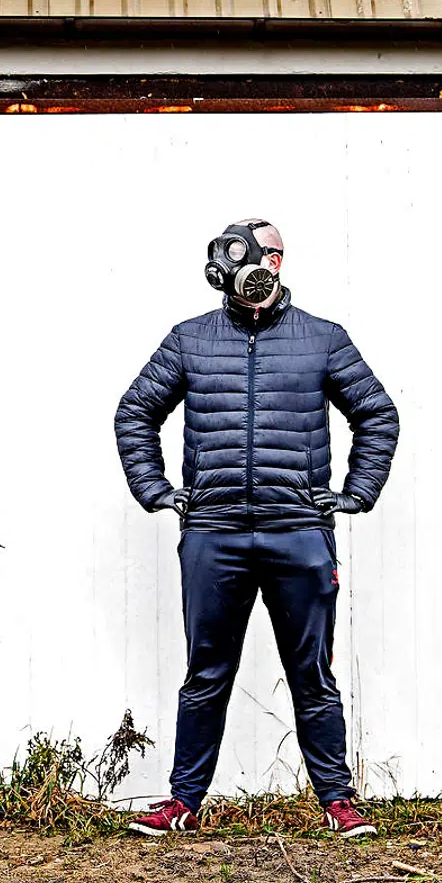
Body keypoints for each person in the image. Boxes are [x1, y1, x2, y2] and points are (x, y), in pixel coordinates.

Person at [114, 218, 399, 839]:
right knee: (207, 674)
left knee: (312, 674)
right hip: (213, 534)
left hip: (298, 531)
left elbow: (376, 413)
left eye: (258, 256)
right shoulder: (190, 340)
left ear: (276, 262)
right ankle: (182, 803)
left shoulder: (322, 339)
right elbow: (136, 411)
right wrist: (157, 492)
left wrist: (356, 495)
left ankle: (338, 801)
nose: (247, 272)